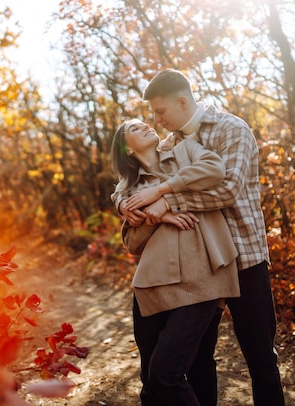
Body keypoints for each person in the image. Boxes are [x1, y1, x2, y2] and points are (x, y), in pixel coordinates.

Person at [116, 69, 285, 406]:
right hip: (201, 269)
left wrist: (166, 200)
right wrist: (124, 203)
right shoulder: (170, 143)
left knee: (260, 357)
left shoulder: (231, 129)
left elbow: (229, 190)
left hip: (244, 256)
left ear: (182, 101)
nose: (156, 120)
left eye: (160, 112)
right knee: (197, 363)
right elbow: (134, 178)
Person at [111, 118, 240, 405]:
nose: (145, 125)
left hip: (202, 278)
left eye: (144, 122)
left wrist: (164, 194)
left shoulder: (185, 150)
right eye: (134, 128)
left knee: (174, 373)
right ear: (127, 150)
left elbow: (214, 170)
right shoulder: (130, 189)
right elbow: (133, 244)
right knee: (150, 381)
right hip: (152, 285)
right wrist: (157, 217)